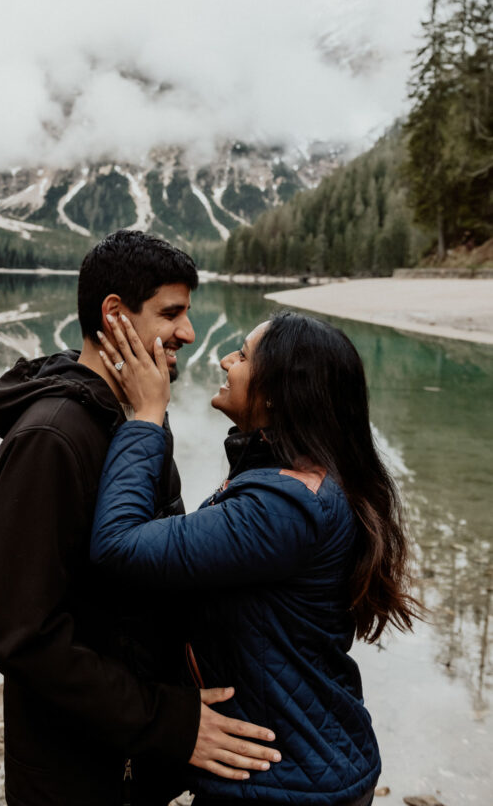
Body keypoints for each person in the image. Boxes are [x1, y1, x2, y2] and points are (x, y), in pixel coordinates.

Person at [0, 230, 280, 806]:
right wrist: (168, 723)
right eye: (172, 313)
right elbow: (19, 636)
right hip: (78, 772)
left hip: (135, 758)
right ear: (114, 313)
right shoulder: (52, 438)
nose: (189, 334)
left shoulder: (137, 415)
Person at [91, 310, 422, 805]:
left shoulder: (284, 508)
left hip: (287, 783)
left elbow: (119, 546)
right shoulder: (298, 478)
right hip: (299, 766)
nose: (226, 361)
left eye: (243, 355)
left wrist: (145, 417)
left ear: (276, 394)